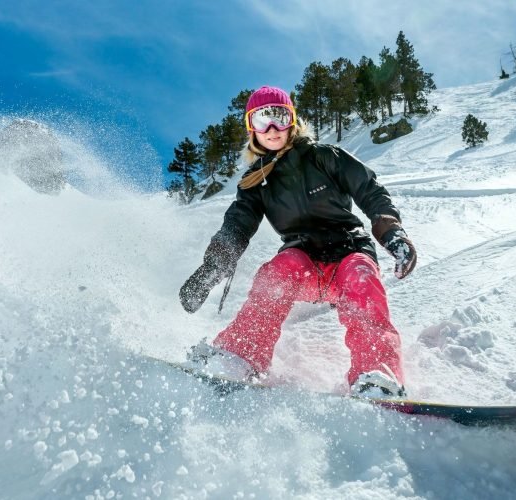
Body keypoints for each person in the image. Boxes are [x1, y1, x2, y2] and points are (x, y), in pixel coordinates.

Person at [178, 86, 417, 399]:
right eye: (263, 119)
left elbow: (369, 190)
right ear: (252, 128)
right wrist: (215, 265)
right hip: (302, 260)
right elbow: (238, 224)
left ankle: (376, 376)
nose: (273, 129)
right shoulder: (256, 181)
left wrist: (391, 231)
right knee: (275, 274)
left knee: (362, 279)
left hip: (348, 252)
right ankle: (239, 356)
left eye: (280, 117)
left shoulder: (324, 157)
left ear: (292, 120)